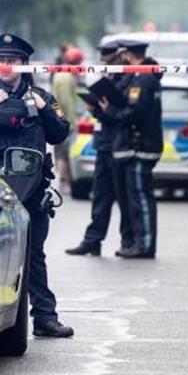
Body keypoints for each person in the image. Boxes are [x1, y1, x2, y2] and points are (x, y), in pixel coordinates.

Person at [0, 33, 75, 339]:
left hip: (32, 191)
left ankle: (44, 317)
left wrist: (41, 108)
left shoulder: (41, 98)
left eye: (12, 61)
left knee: (33, 254)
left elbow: (59, 134)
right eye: (1, 60)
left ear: (24, 64)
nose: (6, 66)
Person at [65, 39, 135, 257]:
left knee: (124, 197)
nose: (103, 59)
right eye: (102, 56)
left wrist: (104, 109)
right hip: (104, 143)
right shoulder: (107, 75)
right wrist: (95, 108)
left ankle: (129, 240)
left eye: (107, 56)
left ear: (119, 55)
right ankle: (93, 240)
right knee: (100, 195)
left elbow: (124, 112)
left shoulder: (127, 76)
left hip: (121, 143)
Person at [109, 39, 163, 259]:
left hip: (142, 145)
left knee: (141, 198)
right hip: (140, 144)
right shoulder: (144, 75)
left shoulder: (143, 78)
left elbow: (134, 111)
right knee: (135, 197)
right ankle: (139, 242)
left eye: (124, 54)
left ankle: (145, 244)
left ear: (129, 55)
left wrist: (111, 114)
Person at [50, 43, 83, 194]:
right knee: (64, 153)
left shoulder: (62, 74)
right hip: (64, 121)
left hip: (59, 118)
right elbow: (65, 102)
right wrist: (69, 122)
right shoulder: (65, 77)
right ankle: (65, 181)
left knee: (61, 152)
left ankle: (65, 180)